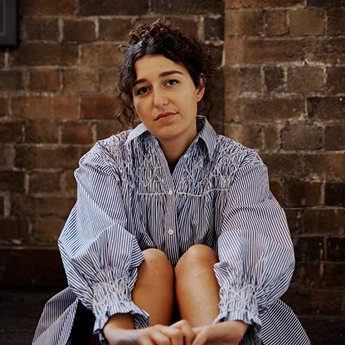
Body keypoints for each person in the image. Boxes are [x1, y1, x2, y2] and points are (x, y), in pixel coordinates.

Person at [32, 19, 310, 345]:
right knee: (152, 261)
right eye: (143, 89)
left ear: (199, 86)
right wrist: (120, 333)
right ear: (133, 102)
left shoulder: (239, 165)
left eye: (171, 82)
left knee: (198, 258)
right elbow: (98, 242)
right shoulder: (106, 161)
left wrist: (232, 327)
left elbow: (252, 241)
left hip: (224, 315)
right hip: (124, 317)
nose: (158, 100)